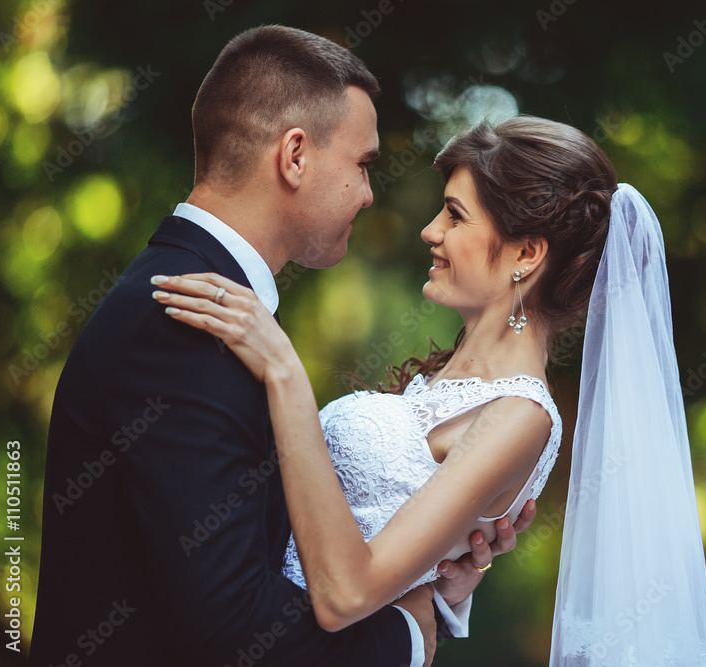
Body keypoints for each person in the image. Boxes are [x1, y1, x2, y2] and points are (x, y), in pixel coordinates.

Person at [29, 26, 528, 667]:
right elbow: (228, 624)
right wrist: (406, 637)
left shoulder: (210, 303)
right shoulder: (184, 322)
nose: (369, 194)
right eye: (363, 164)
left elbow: (260, 549)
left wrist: (435, 569)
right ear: (294, 156)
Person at [157, 115, 706, 664]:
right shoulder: (443, 381)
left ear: (526, 254)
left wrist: (286, 375)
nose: (431, 231)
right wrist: (446, 591)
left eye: (455, 215)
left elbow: (346, 595)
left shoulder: (521, 415)